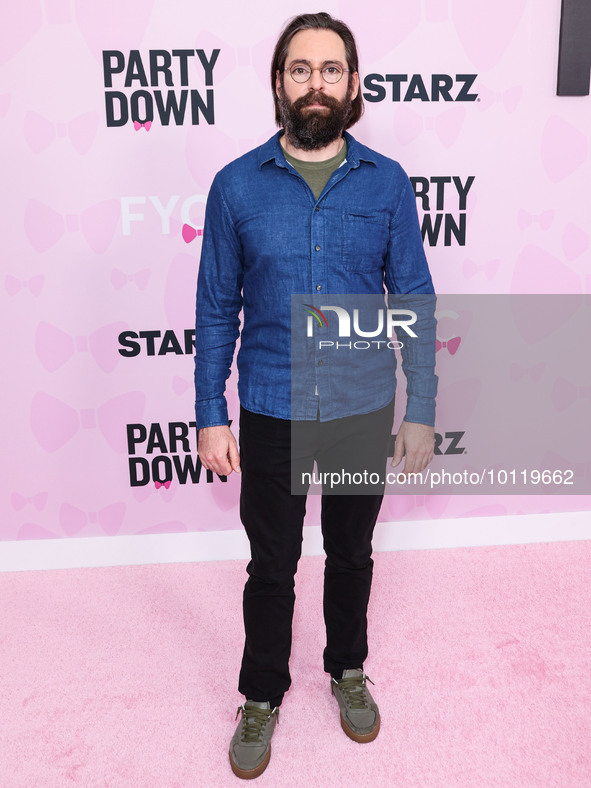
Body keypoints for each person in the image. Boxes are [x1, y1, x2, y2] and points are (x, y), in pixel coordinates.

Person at [194, 12, 437, 780]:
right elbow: (213, 310)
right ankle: (261, 695)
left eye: (331, 70)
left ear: (354, 85)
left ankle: (347, 669)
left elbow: (415, 302)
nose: (315, 84)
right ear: (278, 84)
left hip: (364, 407)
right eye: (299, 70)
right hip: (269, 406)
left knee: (352, 555)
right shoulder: (234, 186)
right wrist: (210, 414)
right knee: (271, 565)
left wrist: (421, 408)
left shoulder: (388, 183)